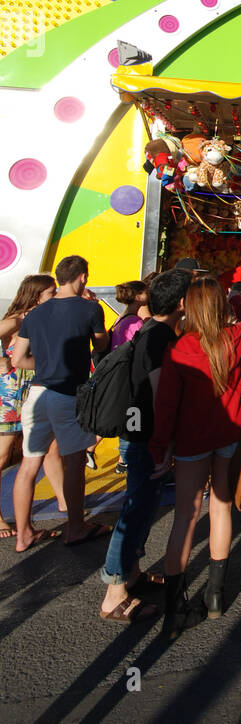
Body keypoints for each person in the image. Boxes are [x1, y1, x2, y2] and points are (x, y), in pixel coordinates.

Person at [149, 276, 241, 638]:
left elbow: (166, 407)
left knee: (186, 515)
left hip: (191, 441)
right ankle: (214, 595)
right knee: (221, 508)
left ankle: (174, 609)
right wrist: (240, 307)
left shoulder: (180, 348)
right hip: (225, 435)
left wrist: (158, 448)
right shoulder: (236, 337)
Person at [99, 270, 188, 623]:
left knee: (143, 504)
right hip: (145, 436)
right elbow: (158, 393)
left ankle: (131, 572)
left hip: (139, 432)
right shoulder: (160, 337)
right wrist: (163, 443)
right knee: (134, 509)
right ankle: (114, 593)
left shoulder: (151, 330)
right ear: (181, 303)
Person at [10, 256, 111, 551]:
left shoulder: (35, 314)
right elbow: (102, 344)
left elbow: (17, 359)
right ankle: (76, 527)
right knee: (75, 461)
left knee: (30, 464)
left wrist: (46, 363)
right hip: (68, 394)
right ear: (82, 277)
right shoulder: (89, 307)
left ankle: (24, 534)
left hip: (37, 393)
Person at [0, 274, 63, 536]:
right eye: (52, 292)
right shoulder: (17, 320)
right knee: (3, 455)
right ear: (37, 296)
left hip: (36, 391)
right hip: (11, 394)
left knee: (50, 448)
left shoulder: (45, 319)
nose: (56, 295)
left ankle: (65, 503)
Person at [109, 281, 150, 476]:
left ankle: (126, 458)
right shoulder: (135, 322)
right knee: (132, 425)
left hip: (120, 380)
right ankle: (128, 461)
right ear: (139, 297)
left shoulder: (122, 317)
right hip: (131, 382)